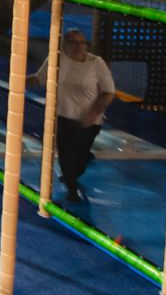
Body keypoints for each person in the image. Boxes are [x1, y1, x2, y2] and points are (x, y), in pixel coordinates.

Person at [27, 28, 114, 204]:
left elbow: (108, 92)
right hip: (63, 117)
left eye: (82, 42)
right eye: (73, 42)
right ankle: (71, 187)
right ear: (65, 44)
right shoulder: (56, 60)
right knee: (66, 154)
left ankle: (73, 175)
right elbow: (39, 79)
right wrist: (17, 78)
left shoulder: (96, 64)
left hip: (88, 121)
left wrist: (93, 112)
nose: (78, 46)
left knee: (80, 158)